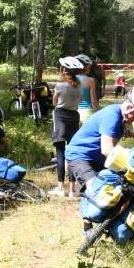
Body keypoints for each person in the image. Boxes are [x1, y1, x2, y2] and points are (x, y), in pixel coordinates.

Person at [64, 85, 134, 196]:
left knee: (118, 192)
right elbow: (107, 150)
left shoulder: (120, 118)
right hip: (80, 156)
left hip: (96, 159)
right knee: (98, 192)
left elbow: (113, 136)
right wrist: (129, 166)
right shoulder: (112, 115)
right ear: (129, 108)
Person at [50, 56, 85, 198]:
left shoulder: (60, 86)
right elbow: (80, 100)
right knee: (72, 152)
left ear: (64, 71)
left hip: (60, 116)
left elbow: (54, 102)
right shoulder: (79, 85)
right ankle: (72, 189)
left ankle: (60, 188)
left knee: (60, 153)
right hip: (74, 116)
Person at [75, 54, 100, 123]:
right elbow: (94, 101)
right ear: (86, 67)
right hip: (87, 112)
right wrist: (98, 114)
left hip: (73, 113)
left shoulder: (70, 80)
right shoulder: (91, 80)